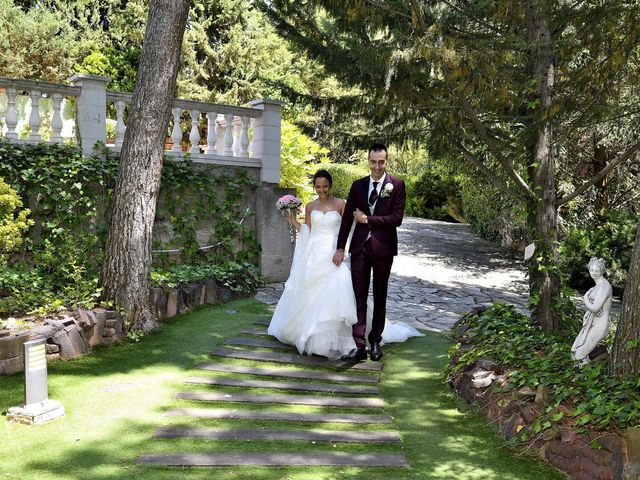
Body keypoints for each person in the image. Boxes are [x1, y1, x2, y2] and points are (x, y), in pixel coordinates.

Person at [268, 169, 421, 359]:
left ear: (330, 185)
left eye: (325, 186)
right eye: (318, 186)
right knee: (316, 295)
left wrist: (341, 248)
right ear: (314, 187)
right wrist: (292, 221)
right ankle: (317, 337)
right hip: (315, 255)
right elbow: (308, 231)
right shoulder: (309, 206)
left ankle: (361, 339)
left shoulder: (341, 204)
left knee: (341, 293)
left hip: (333, 253)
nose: (321, 189)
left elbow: (348, 225)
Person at [333, 143, 406, 362]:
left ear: (387, 161)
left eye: (381, 162)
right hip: (359, 249)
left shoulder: (397, 185)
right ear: (368, 161)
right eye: (373, 162)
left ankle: (375, 341)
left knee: (380, 294)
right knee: (359, 296)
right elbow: (347, 220)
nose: (377, 166)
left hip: (383, 248)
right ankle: (359, 345)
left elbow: (397, 218)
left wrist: (368, 219)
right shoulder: (357, 185)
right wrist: (340, 247)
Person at [571, 257, 613, 365]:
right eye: (592, 270)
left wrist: (585, 298)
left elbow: (595, 308)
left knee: (579, 355)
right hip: (591, 322)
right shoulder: (597, 286)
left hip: (599, 325)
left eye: (597, 271)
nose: (594, 273)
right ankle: (600, 357)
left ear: (602, 271)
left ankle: (584, 376)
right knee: (575, 352)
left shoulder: (604, 287)